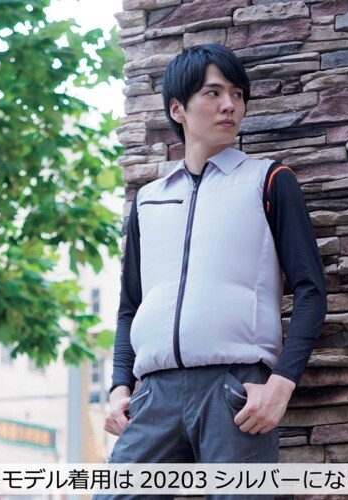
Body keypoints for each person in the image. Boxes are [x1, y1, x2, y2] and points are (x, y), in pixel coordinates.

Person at [99, 43, 327, 499]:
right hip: (154, 396)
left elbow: (310, 290)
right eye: (214, 92)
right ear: (177, 109)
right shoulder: (148, 201)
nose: (230, 105)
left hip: (234, 392)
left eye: (238, 94)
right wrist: (120, 387)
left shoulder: (268, 180)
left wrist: (280, 385)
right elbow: (130, 307)